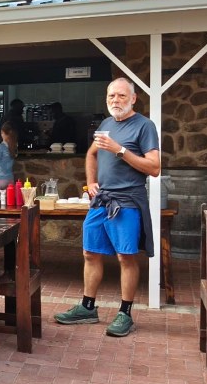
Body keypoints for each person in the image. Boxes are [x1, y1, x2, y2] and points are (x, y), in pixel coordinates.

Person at [54, 77, 161, 338]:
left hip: (127, 201)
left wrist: (119, 150)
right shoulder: (106, 124)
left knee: (126, 257)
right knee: (90, 253)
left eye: (122, 95)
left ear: (133, 98)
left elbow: (154, 167)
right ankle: (87, 307)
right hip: (101, 200)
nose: (116, 100)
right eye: (111, 95)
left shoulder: (144, 126)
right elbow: (91, 153)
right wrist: (90, 182)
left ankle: (125, 313)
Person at [0, 122, 18, 191]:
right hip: (10, 179)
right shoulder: (14, 146)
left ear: (2, 133)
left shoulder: (0, 147)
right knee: (10, 197)